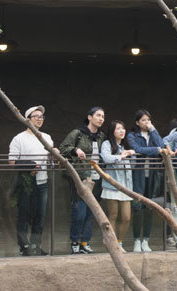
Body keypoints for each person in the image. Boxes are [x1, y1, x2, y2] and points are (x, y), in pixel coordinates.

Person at [8, 105, 57, 256]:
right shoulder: (19, 138)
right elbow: (12, 161)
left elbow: (51, 156)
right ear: (27, 119)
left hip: (42, 181)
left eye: (41, 117)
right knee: (23, 215)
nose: (39, 119)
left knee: (40, 216)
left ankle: (35, 245)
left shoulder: (46, 137)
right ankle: (24, 247)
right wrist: (30, 167)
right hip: (26, 183)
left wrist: (55, 154)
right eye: (36, 116)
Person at [59, 107, 106, 254]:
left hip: (96, 177)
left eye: (103, 117)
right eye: (98, 115)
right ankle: (75, 243)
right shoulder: (77, 133)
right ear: (89, 117)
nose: (101, 119)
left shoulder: (101, 136)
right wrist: (75, 150)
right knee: (79, 211)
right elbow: (62, 148)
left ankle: (85, 242)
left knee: (91, 212)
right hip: (80, 177)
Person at [127, 109, 164, 253]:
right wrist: (157, 150)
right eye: (143, 120)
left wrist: (153, 130)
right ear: (137, 122)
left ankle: (145, 241)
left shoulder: (152, 133)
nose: (146, 123)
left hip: (153, 175)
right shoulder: (132, 135)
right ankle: (136, 240)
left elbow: (161, 143)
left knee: (150, 207)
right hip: (138, 174)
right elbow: (137, 149)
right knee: (137, 208)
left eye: (148, 120)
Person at [100, 120, 135, 253]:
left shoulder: (125, 145)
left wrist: (129, 154)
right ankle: (112, 243)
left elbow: (134, 162)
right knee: (113, 215)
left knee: (126, 217)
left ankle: (119, 242)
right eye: (118, 129)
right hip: (112, 185)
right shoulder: (107, 143)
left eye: (123, 128)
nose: (122, 131)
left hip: (126, 185)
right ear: (112, 131)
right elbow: (106, 158)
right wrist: (122, 155)